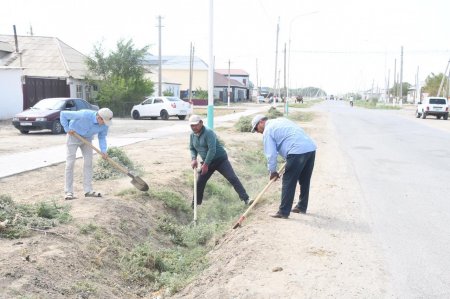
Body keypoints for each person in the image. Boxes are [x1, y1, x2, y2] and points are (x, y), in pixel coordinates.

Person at [251, 114, 316, 219]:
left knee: (288, 181)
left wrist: (272, 171)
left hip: (297, 150)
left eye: (256, 128)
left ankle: (283, 212)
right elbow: (291, 135)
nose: (258, 132)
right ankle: (301, 206)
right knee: (305, 180)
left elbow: (271, 154)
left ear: (261, 122)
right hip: (310, 148)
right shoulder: (282, 120)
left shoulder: (268, 131)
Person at [189, 114, 249, 207]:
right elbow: (192, 148)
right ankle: (194, 206)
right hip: (207, 162)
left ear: (201, 123)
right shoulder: (192, 135)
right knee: (200, 183)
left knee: (232, 178)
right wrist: (193, 159)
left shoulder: (208, 132)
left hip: (220, 160)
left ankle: (246, 199)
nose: (194, 127)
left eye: (196, 125)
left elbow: (212, 149)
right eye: (192, 125)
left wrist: (205, 165)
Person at [60, 108, 113, 200]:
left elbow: (102, 137)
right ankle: (69, 192)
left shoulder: (105, 125)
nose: (104, 124)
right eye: (103, 121)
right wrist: (67, 129)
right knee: (70, 163)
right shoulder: (83, 114)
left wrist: (104, 151)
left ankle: (88, 190)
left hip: (87, 139)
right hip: (73, 135)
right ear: (99, 117)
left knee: (88, 163)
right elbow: (63, 114)